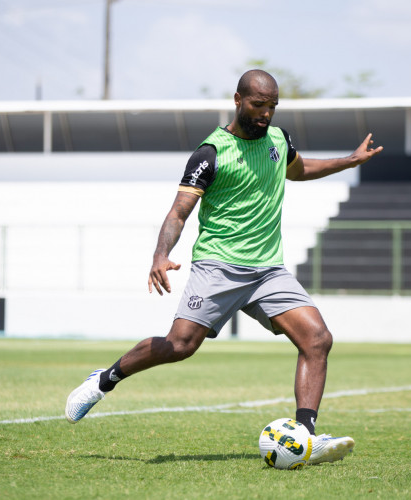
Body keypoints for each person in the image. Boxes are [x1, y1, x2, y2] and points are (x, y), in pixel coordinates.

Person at [65, 69, 383, 465]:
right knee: (180, 346)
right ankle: (103, 380)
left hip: (268, 270)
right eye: (258, 105)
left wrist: (349, 161)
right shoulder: (210, 153)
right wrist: (160, 255)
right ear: (237, 99)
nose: (266, 114)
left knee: (317, 339)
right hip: (218, 267)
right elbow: (179, 212)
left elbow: (300, 170)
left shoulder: (279, 141)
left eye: (272, 106)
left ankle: (305, 436)